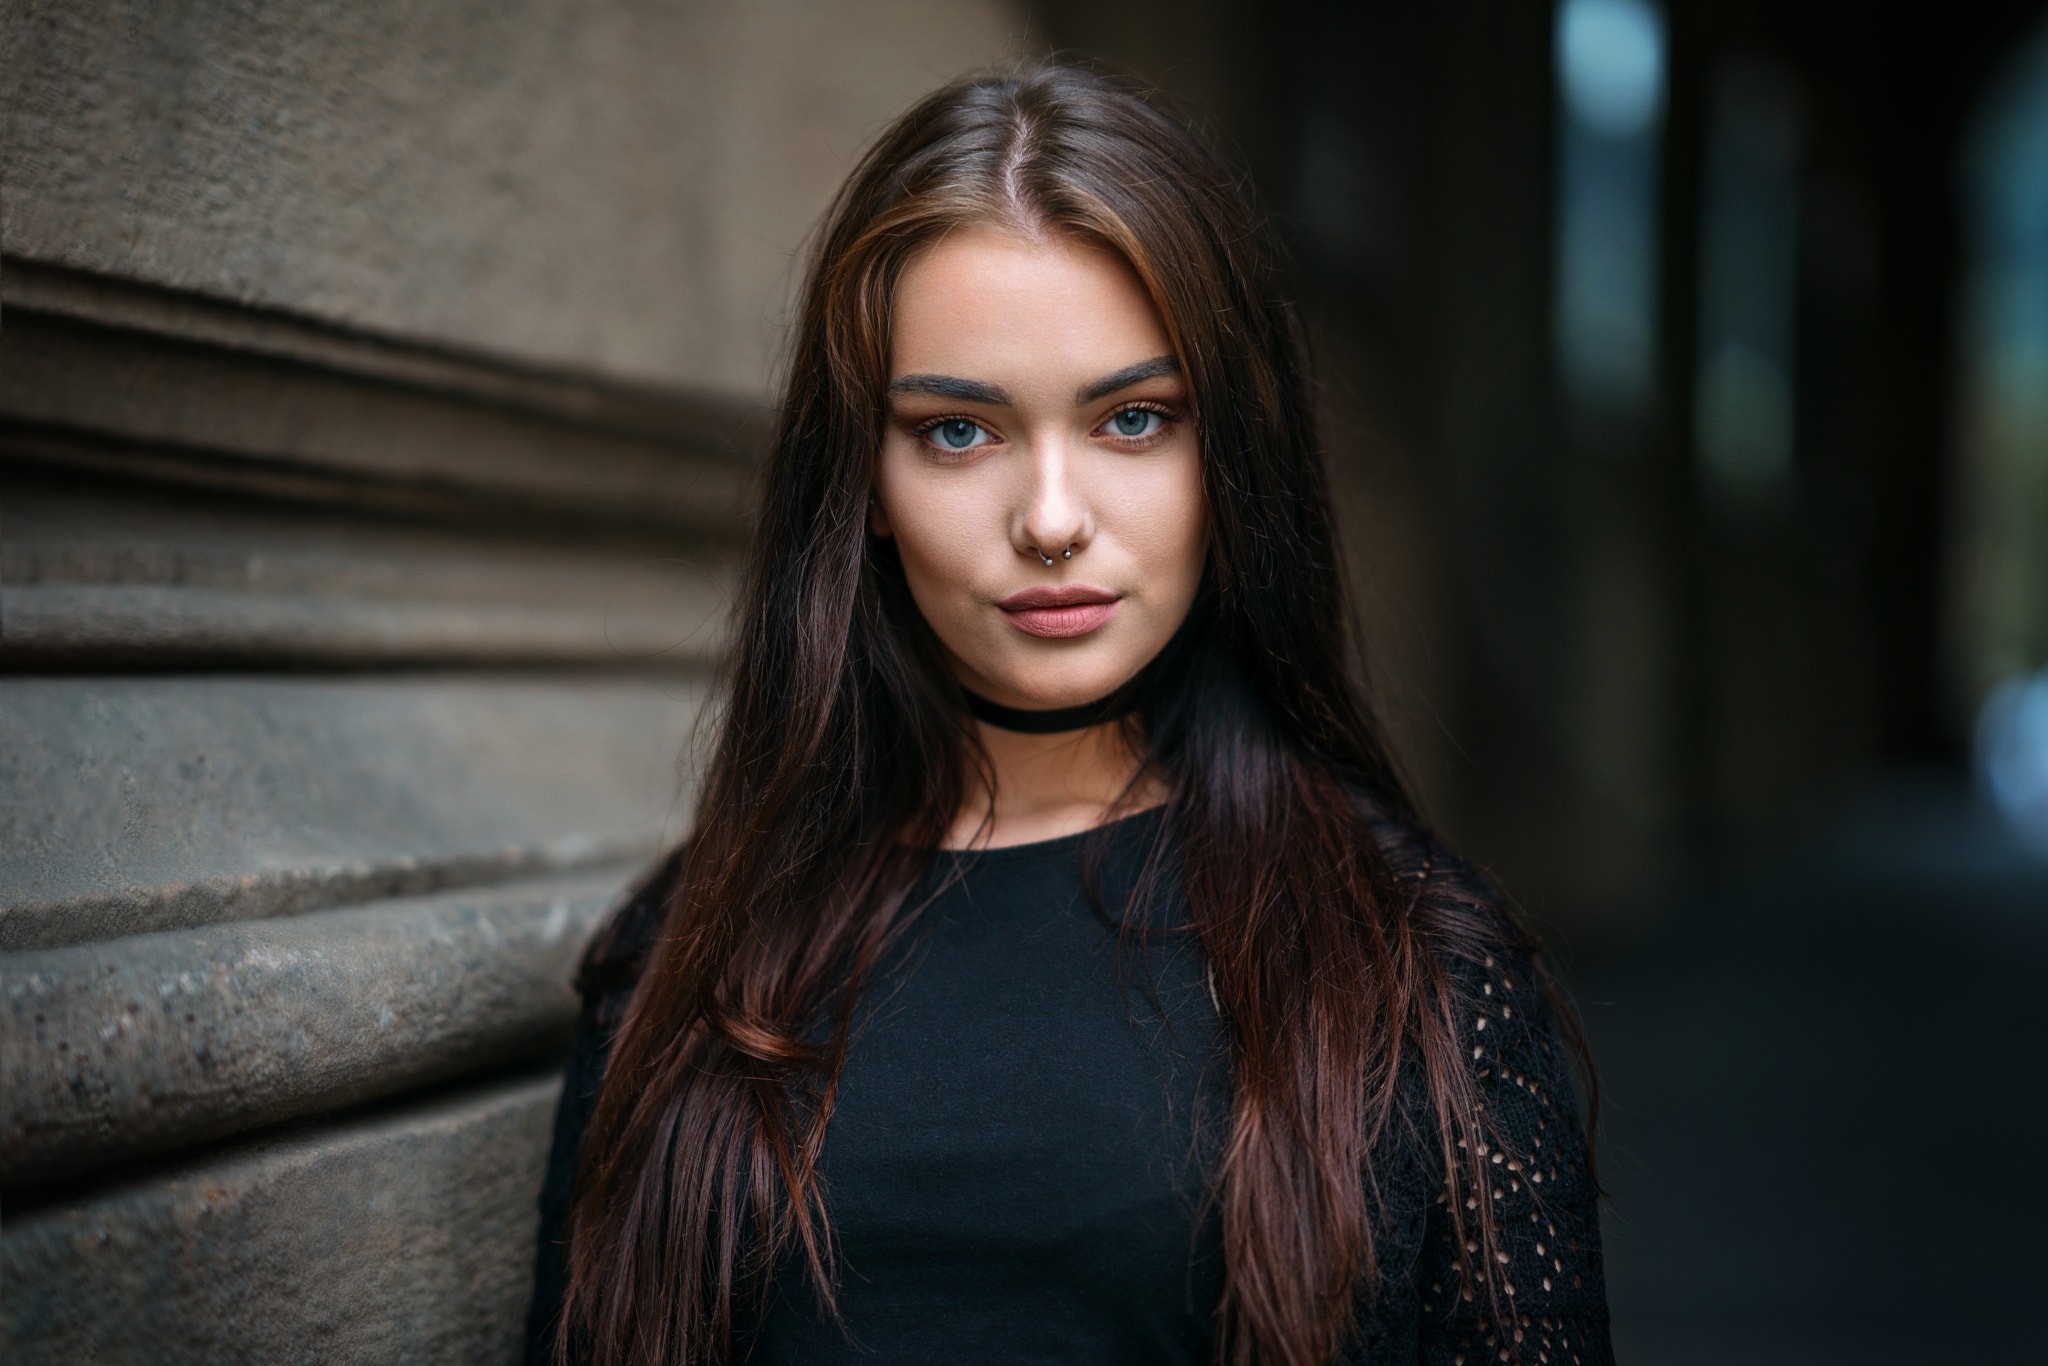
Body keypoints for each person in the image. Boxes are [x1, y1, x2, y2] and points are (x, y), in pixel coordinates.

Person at [525, 63, 1612, 1366]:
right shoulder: (683, 963)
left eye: (1134, 419)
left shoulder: (1419, 969)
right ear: (863, 478)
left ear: (1231, 462)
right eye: (959, 433)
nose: (1050, 518)